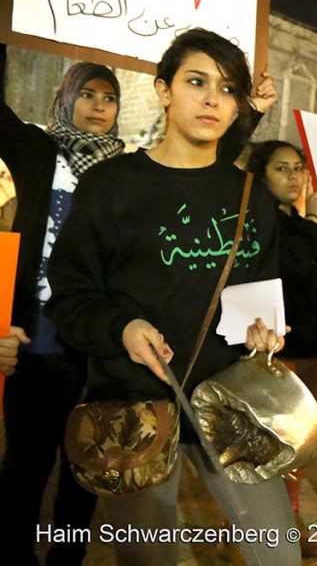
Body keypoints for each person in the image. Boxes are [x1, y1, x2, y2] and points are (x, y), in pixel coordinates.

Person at [45, 28, 298, 565]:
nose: (212, 100)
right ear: (163, 89)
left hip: (233, 405)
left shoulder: (251, 196)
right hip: (138, 408)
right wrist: (123, 327)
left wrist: (265, 334)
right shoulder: (111, 187)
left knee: (279, 554)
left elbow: (258, 292)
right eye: (196, 82)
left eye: (228, 89)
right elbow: (70, 298)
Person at [0, 47, 122, 565]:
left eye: (110, 98)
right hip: (33, 347)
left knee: (83, 478)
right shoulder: (36, 152)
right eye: (88, 94)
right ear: (65, 98)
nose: (98, 107)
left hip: (94, 358)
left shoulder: (127, 174)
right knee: (25, 471)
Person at [246, 140, 317, 557]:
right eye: (282, 169)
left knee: (297, 444)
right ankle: (265, 521)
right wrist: (314, 218)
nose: (294, 177)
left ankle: (284, 516)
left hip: (314, 347)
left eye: (298, 168)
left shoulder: (294, 221)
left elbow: (312, 287)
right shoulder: (262, 221)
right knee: (274, 443)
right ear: (261, 176)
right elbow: (291, 265)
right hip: (284, 350)